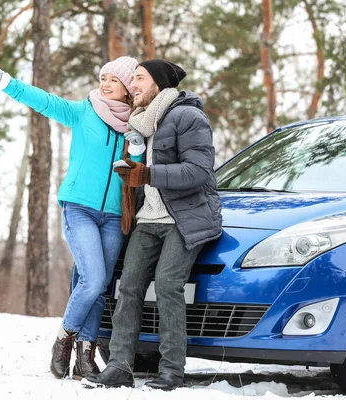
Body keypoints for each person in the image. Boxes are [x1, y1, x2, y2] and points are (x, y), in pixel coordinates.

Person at [0, 56, 145, 380]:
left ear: (127, 89)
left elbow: (137, 170)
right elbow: (43, 101)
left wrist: (136, 149)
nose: (104, 84)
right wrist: (4, 81)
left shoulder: (137, 123)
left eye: (113, 80)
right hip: (79, 207)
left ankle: (86, 358)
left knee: (99, 285)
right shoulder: (84, 111)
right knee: (93, 279)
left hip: (113, 216)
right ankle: (64, 339)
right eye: (102, 77)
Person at [83, 59, 222, 391]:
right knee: (128, 286)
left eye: (140, 79)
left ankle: (172, 370)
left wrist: (148, 174)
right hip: (149, 219)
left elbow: (198, 171)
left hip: (182, 217)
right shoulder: (140, 122)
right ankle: (119, 366)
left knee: (167, 284)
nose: (133, 85)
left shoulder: (188, 116)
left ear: (159, 83)